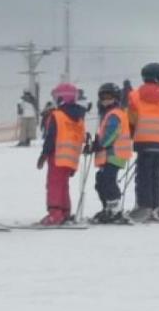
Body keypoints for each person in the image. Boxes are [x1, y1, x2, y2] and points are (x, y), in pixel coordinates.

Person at [126, 62, 159, 221]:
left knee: (143, 176)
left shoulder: (135, 95)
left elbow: (131, 118)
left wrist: (131, 135)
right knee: (155, 175)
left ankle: (144, 206)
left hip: (144, 141)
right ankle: (155, 206)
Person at [37, 82, 86, 225]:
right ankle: (64, 211)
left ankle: (55, 213)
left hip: (57, 155)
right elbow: (81, 136)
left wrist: (44, 154)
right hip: (71, 157)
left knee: (54, 184)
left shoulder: (56, 115)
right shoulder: (79, 117)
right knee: (63, 184)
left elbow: (51, 136)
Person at [89, 82, 133, 223]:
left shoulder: (115, 114)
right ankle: (108, 208)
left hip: (115, 153)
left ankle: (115, 209)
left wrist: (100, 144)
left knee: (108, 180)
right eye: (103, 97)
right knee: (100, 181)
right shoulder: (107, 114)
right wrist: (95, 144)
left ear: (116, 97)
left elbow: (112, 132)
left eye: (109, 97)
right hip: (107, 154)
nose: (105, 100)